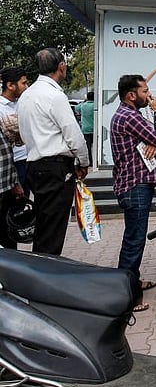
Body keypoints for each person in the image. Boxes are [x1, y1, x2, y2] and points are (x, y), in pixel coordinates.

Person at [17, 48, 89, 255]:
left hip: (34, 165)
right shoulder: (54, 96)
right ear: (61, 66)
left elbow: (23, 133)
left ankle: (40, 270)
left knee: (44, 226)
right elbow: (73, 135)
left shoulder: (26, 95)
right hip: (54, 167)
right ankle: (44, 277)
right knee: (53, 230)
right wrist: (83, 162)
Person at [109, 75, 156, 310]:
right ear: (131, 95)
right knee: (134, 240)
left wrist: (154, 141)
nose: (149, 96)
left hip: (135, 184)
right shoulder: (129, 116)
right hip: (135, 186)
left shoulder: (129, 115)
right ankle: (126, 297)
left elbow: (154, 140)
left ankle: (133, 281)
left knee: (134, 237)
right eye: (145, 91)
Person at [0, 66, 29, 249]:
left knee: (16, 212)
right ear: (10, 85)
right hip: (10, 166)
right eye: (23, 83)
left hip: (21, 164)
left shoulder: (24, 102)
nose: (26, 86)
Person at [78, 91, 95, 166]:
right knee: (97, 147)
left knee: (88, 147)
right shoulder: (95, 105)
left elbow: (76, 108)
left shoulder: (83, 105)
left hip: (85, 130)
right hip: (95, 129)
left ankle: (90, 162)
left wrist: (84, 101)